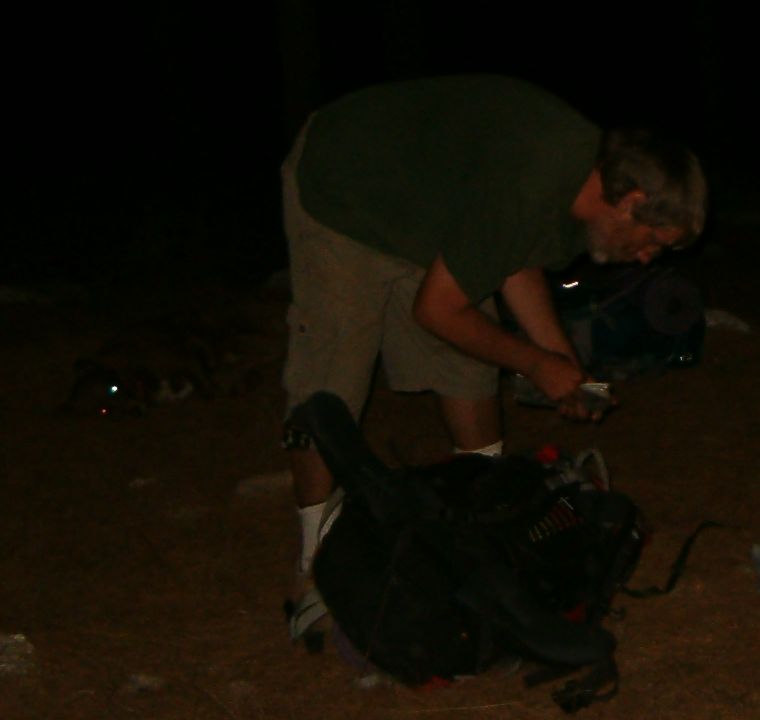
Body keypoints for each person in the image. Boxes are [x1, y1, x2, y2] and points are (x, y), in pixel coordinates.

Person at [279, 74, 707, 608]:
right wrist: (535, 364)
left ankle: (485, 530)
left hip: (428, 211)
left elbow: (513, 262)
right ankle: (315, 570)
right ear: (631, 202)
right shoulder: (536, 177)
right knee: (331, 384)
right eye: (652, 244)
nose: (647, 260)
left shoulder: (579, 197)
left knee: (468, 366)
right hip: (347, 186)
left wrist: (568, 370)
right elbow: (436, 309)